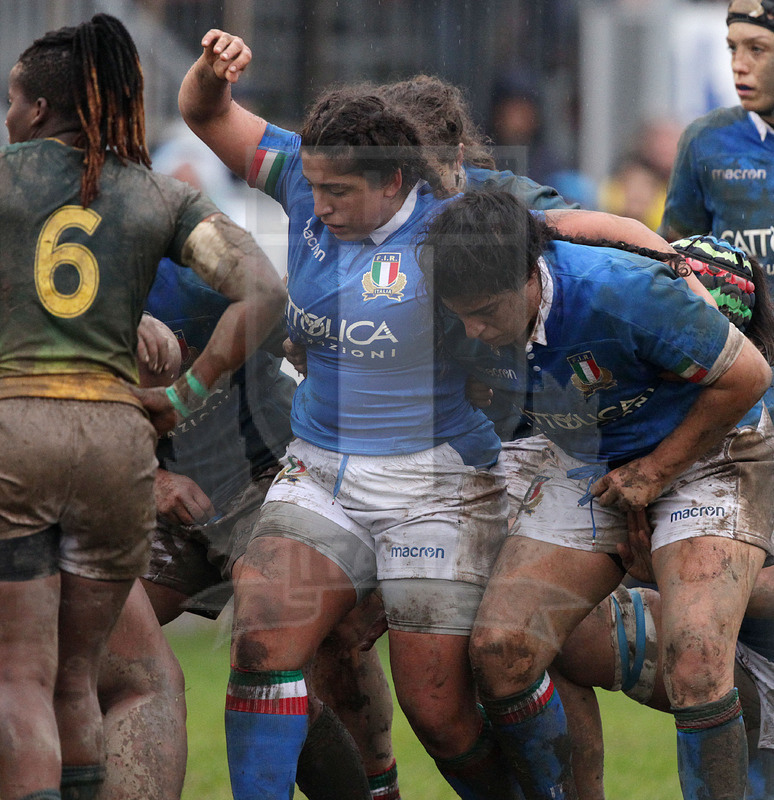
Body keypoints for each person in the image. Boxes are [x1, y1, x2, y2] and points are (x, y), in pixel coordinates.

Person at [179, 30, 519, 800]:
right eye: (315, 189)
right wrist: (208, 74)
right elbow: (206, 115)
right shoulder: (307, 172)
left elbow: (558, 254)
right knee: (262, 643)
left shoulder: (457, 225)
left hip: (437, 483)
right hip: (322, 469)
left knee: (437, 710)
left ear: (396, 179)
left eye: (340, 194)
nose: (319, 204)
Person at [0, 14, 286, 800]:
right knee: (93, 677)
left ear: (35, 112)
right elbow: (262, 289)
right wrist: (185, 393)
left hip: (16, 437)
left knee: (20, 676)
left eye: (11, 102)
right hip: (117, 447)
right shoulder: (156, 194)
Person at [418, 190, 774, 800]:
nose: (472, 329)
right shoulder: (458, 291)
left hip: (709, 453)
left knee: (695, 659)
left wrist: (656, 477)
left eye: (485, 311)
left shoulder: (623, 292)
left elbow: (749, 376)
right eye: (461, 315)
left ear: (530, 276)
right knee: (503, 651)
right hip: (595, 458)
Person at [660, 0, 774, 296]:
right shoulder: (706, 141)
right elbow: (673, 265)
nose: (738, 65)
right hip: (745, 340)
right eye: (732, 48)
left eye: (756, 49)